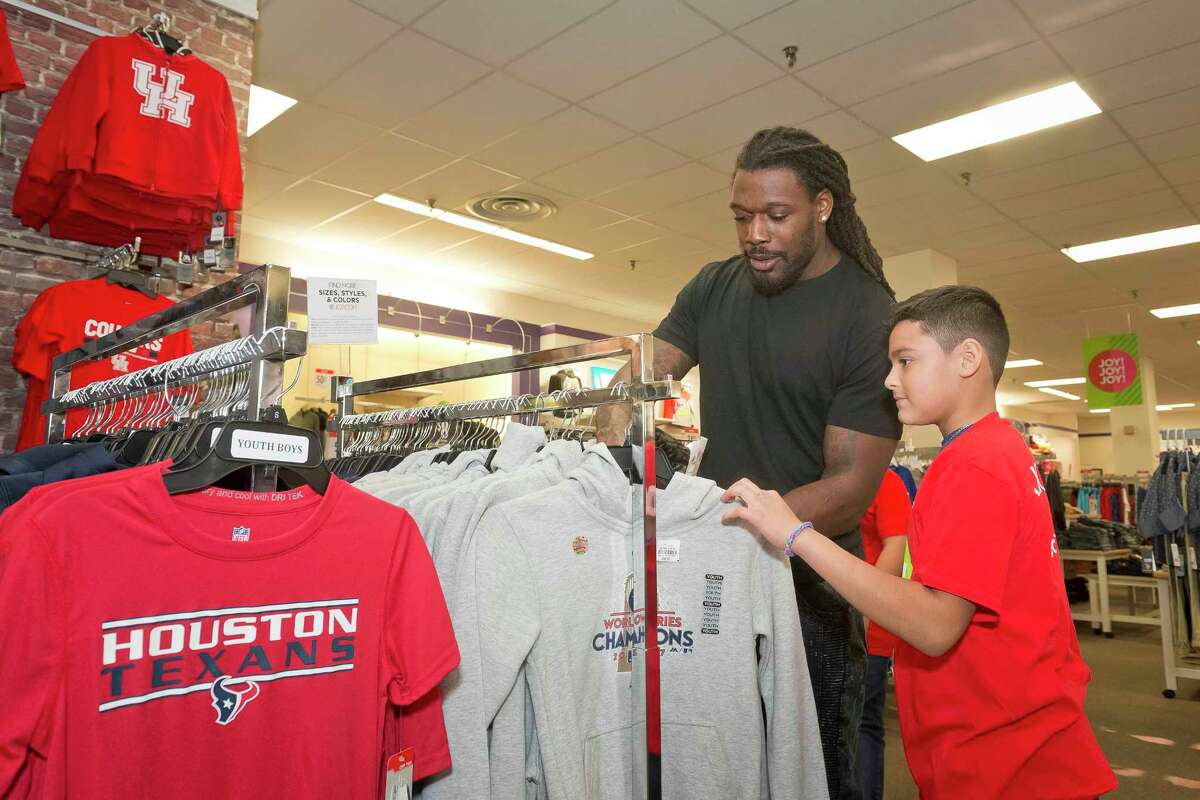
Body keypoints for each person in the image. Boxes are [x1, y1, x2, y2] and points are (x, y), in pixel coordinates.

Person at [598, 126, 902, 799]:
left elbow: (849, 489)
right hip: (715, 577)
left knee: (817, 772)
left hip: (813, 588)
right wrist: (614, 444)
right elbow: (638, 382)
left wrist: (719, 521)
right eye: (742, 217)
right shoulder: (713, 287)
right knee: (716, 762)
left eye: (775, 215)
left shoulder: (868, 313)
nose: (754, 234)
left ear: (823, 206)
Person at [721, 285, 1117, 799]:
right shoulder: (988, 451)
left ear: (968, 358)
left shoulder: (977, 464)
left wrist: (795, 534)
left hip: (1010, 761)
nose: (890, 379)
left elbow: (934, 625)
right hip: (1002, 746)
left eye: (905, 361)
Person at [855, 468, 909, 800]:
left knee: (862, 725)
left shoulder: (885, 481)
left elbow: (896, 548)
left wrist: (863, 610)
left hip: (868, 627)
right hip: (825, 624)